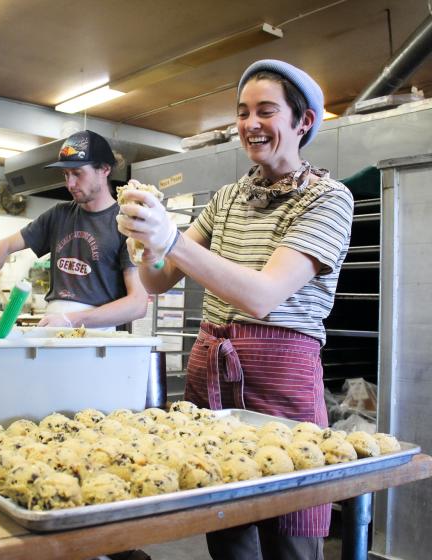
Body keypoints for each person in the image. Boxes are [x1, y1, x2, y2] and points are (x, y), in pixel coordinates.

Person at [117, 59, 354, 559]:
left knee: (289, 529)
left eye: (266, 111)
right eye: (242, 112)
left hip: (281, 377)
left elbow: (262, 297)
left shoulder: (329, 199)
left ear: (303, 121)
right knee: (226, 526)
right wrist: (145, 240)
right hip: (216, 370)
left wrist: (172, 238)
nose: (250, 124)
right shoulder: (227, 198)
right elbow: (158, 279)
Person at [0, 130, 148, 329]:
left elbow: (137, 304)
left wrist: (72, 319)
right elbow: (3, 246)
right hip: (53, 326)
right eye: (66, 174)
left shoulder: (125, 223)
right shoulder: (58, 215)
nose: (70, 183)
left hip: (97, 337)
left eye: (77, 173)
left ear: (104, 169)